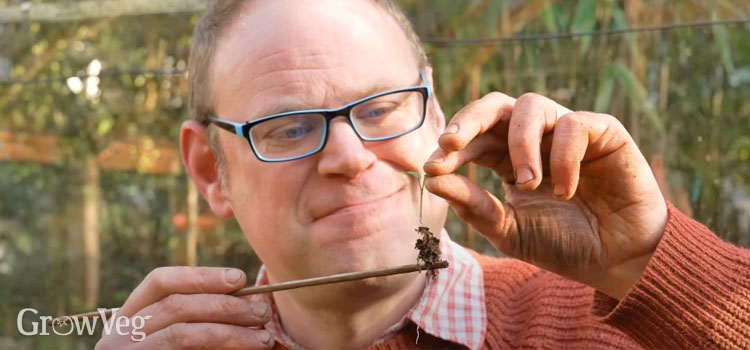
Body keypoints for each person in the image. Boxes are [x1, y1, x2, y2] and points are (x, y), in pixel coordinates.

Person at [95, 0, 750, 349]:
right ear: (212, 169)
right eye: (289, 128)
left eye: (381, 109)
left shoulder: (617, 321)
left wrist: (650, 264)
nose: (350, 158)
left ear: (433, 109)